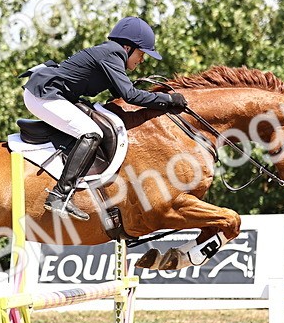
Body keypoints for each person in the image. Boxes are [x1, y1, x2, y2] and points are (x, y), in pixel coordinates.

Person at [23, 16, 188, 219]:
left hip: (51, 92)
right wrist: (168, 99)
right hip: (43, 94)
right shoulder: (113, 54)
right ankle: (60, 195)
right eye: (141, 53)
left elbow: (121, 95)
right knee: (91, 133)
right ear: (127, 47)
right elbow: (130, 95)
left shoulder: (112, 54)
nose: (142, 60)